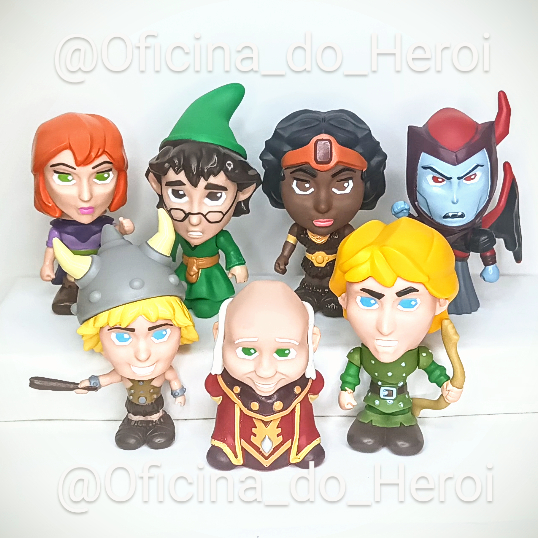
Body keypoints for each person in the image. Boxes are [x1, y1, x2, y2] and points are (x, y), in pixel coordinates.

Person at [52, 209, 198, 450]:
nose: (143, 354)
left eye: (160, 334)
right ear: (96, 337)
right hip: (133, 417)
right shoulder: (125, 374)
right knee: (129, 438)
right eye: (121, 337)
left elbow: (172, 378)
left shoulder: (161, 370)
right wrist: (90, 383)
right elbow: (107, 378)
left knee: (160, 432)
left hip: (157, 414)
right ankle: (134, 427)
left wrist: (178, 393)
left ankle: (160, 424)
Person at [330, 217, 463, 456]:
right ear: (344, 300)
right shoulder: (360, 355)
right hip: (372, 409)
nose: (385, 327)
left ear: (440, 303)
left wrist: (445, 384)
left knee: (407, 442)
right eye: (368, 302)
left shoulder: (418, 356)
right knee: (362, 438)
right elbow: (350, 375)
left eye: (409, 303)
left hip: (402, 411)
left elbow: (434, 371)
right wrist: (346, 390)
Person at [391, 91, 521, 314]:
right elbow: (418, 232)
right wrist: (406, 218)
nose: (454, 197)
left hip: (459, 269)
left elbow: (482, 242)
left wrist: (490, 264)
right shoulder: (428, 226)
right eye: (437, 179)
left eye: (470, 178)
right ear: (414, 177)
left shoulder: (476, 231)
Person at [146, 83, 261, 319]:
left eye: (214, 196)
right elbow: (166, 253)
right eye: (179, 195)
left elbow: (231, 250)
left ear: (243, 191)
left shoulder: (219, 236)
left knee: (208, 310)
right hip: (182, 276)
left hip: (210, 277)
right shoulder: (174, 232)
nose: (195, 217)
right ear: (156, 184)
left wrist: (236, 264)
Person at [259, 109, 387, 317]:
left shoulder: (346, 232)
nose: (322, 205)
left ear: (367, 186)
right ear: (278, 186)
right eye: (303, 185)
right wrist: (283, 257)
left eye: (343, 184)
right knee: (304, 298)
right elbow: (290, 244)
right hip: (309, 278)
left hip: (336, 282)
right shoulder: (299, 230)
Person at [205, 281, 325, 470]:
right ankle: (228, 447)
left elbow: (316, 387)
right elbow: (213, 388)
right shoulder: (225, 384)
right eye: (247, 351)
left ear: (313, 341)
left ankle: (303, 447)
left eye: (284, 352)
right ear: (219, 335)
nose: (265, 371)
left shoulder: (303, 385)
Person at [32, 112, 134, 314]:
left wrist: (123, 229)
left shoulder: (104, 224)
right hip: (72, 273)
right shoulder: (60, 229)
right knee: (71, 284)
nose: (86, 196)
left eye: (102, 176)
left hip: (101, 273)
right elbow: (52, 248)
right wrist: (47, 266)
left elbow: (114, 235)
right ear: (41, 180)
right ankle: (71, 293)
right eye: (65, 177)